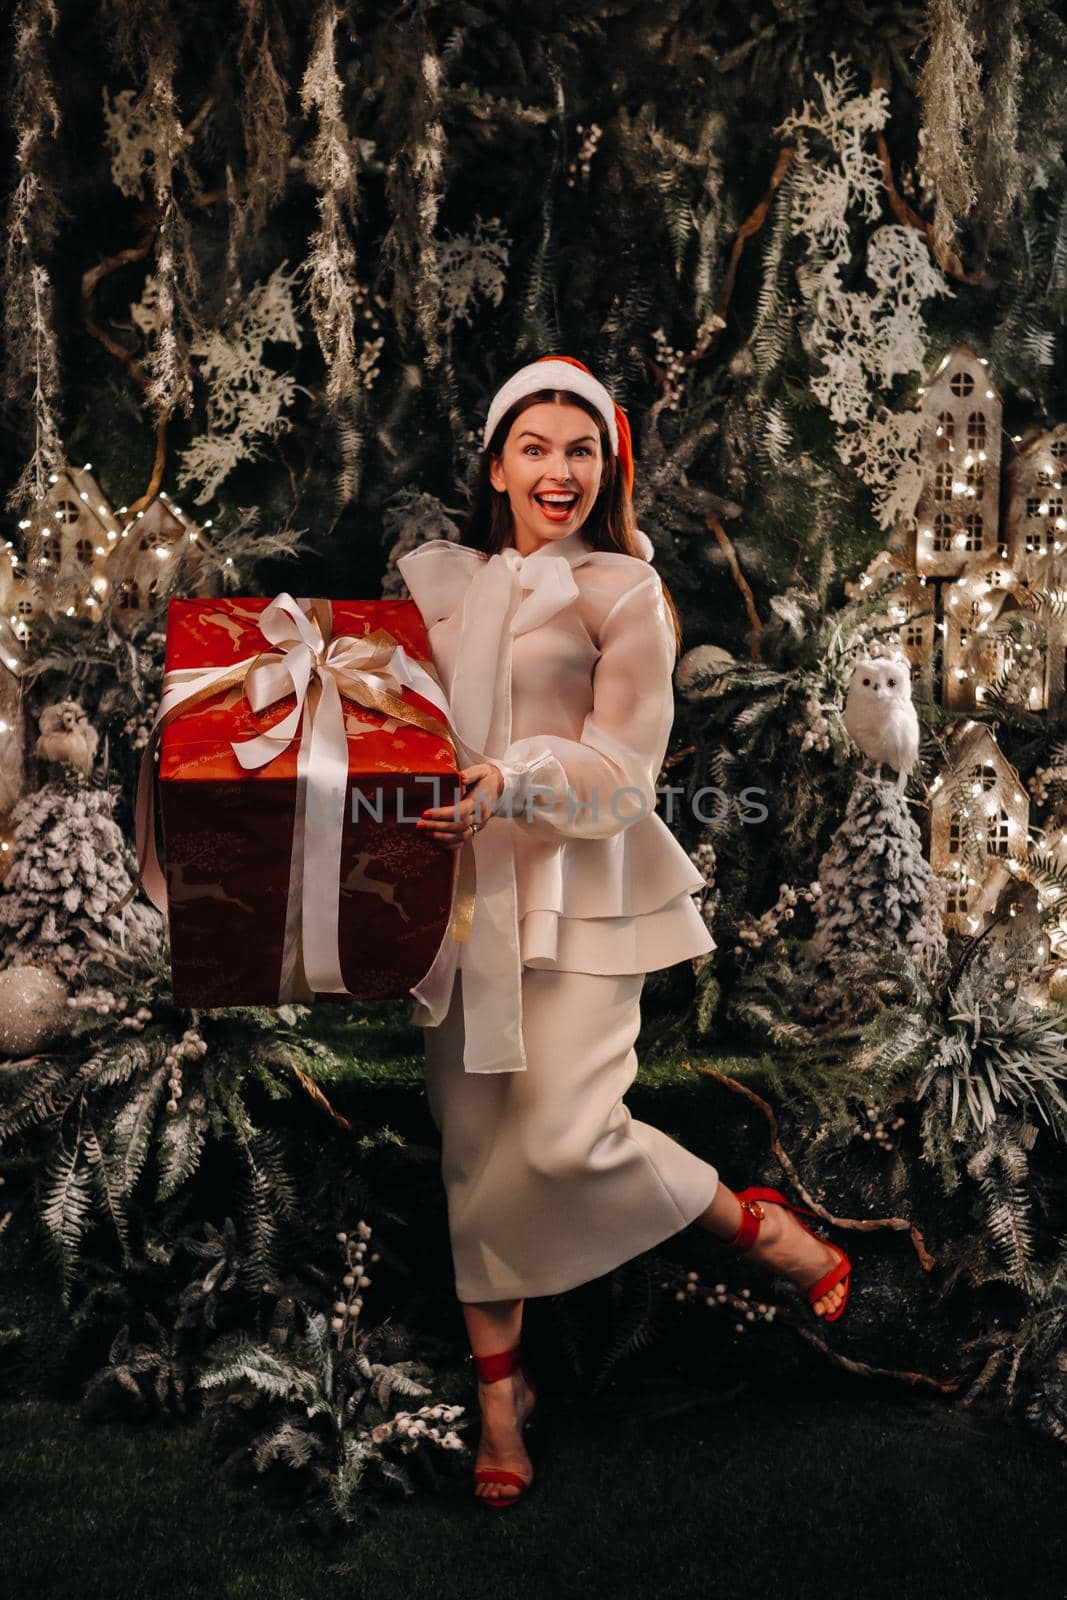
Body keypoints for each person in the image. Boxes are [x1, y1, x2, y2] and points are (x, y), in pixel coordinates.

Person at [395, 357, 851, 1509]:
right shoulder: (442, 589)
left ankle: (756, 1226)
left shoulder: (620, 592)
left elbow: (624, 770)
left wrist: (513, 775)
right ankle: (501, 1395)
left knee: (561, 1138)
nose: (558, 469)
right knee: (471, 1151)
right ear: (495, 465)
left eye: (579, 449)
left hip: (580, 894)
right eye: (534, 448)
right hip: (458, 902)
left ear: (608, 467)